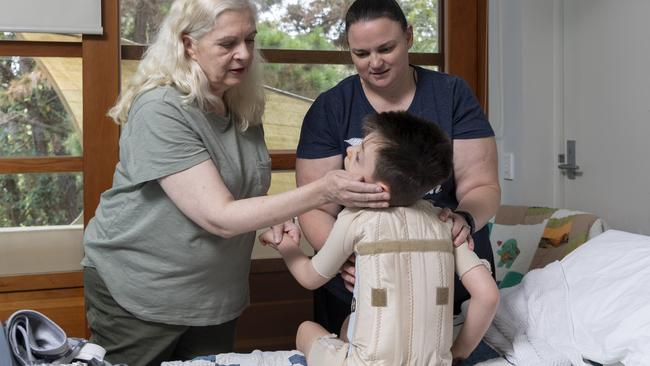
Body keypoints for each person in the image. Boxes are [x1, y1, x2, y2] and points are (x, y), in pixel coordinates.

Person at [80, 1, 389, 365]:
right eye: (228, 44)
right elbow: (219, 216)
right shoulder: (161, 109)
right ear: (188, 44)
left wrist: (273, 216)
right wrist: (324, 190)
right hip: (142, 291)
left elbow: (239, 191)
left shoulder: (238, 103)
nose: (243, 54)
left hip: (214, 297)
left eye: (250, 40)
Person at [295, 0, 501, 335]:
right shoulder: (331, 107)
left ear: (408, 35)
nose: (374, 63)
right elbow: (315, 205)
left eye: (386, 48)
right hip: (356, 283)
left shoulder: (451, 94)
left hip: (443, 274)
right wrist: (348, 260)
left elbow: (482, 187)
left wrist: (465, 219)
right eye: (361, 54)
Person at [261, 111, 499, 365]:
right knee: (349, 324)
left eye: (359, 154)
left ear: (377, 187)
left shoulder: (355, 220)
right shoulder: (445, 222)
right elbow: (488, 296)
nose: (350, 152)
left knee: (306, 330)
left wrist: (285, 244)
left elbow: (309, 277)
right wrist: (457, 353)